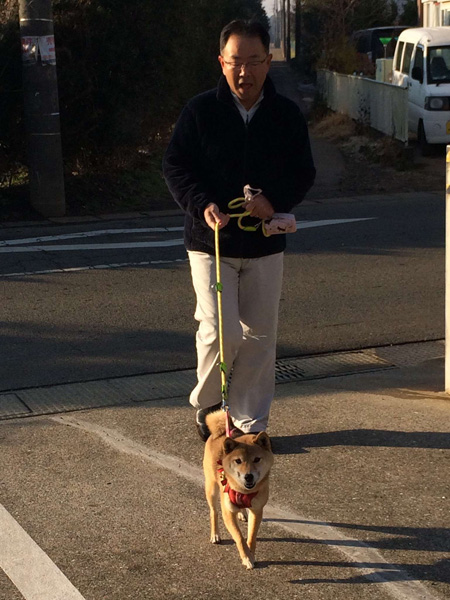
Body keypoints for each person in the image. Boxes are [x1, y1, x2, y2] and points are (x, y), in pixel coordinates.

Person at [163, 19, 316, 441]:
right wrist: (203, 204)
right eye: (235, 62)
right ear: (221, 62)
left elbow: (303, 172)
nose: (244, 72)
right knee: (220, 330)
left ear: (269, 62)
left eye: (254, 61)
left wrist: (274, 201)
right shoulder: (199, 111)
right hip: (210, 241)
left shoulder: (285, 114)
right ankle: (209, 405)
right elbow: (175, 166)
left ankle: (250, 425)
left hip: (265, 244)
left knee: (261, 335)